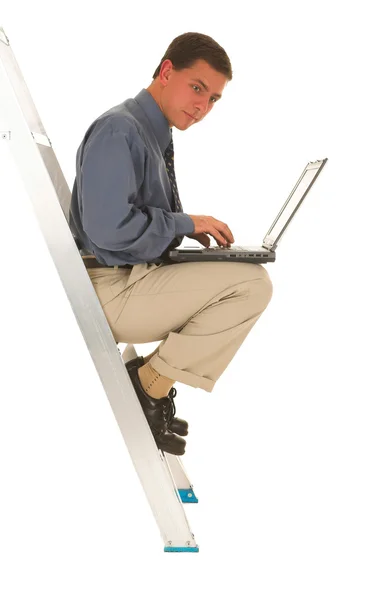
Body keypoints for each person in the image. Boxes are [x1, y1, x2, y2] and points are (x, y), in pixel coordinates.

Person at [69, 32, 273, 456]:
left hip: (127, 278)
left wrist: (184, 232)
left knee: (242, 276)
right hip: (107, 290)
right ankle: (149, 385)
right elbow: (108, 230)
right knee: (252, 286)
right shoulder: (120, 130)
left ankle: (152, 384)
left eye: (214, 99)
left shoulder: (152, 131)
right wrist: (184, 221)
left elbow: (129, 221)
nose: (203, 106)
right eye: (197, 88)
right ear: (166, 71)